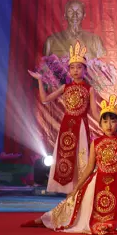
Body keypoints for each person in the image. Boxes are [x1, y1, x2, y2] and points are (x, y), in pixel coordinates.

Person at [21, 95, 117, 234]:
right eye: (105, 121)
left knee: (113, 216)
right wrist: (77, 188)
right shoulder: (96, 143)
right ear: (100, 124)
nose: (109, 125)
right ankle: (44, 219)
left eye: (112, 121)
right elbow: (90, 168)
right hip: (97, 183)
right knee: (72, 208)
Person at [28, 41, 97, 194]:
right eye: (72, 67)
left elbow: (95, 113)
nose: (75, 70)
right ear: (69, 70)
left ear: (85, 70)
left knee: (81, 156)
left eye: (79, 67)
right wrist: (40, 80)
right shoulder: (65, 87)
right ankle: (66, 189)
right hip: (67, 126)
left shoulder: (89, 89)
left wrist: (109, 124)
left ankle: (80, 188)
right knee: (65, 156)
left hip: (81, 126)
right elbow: (45, 100)